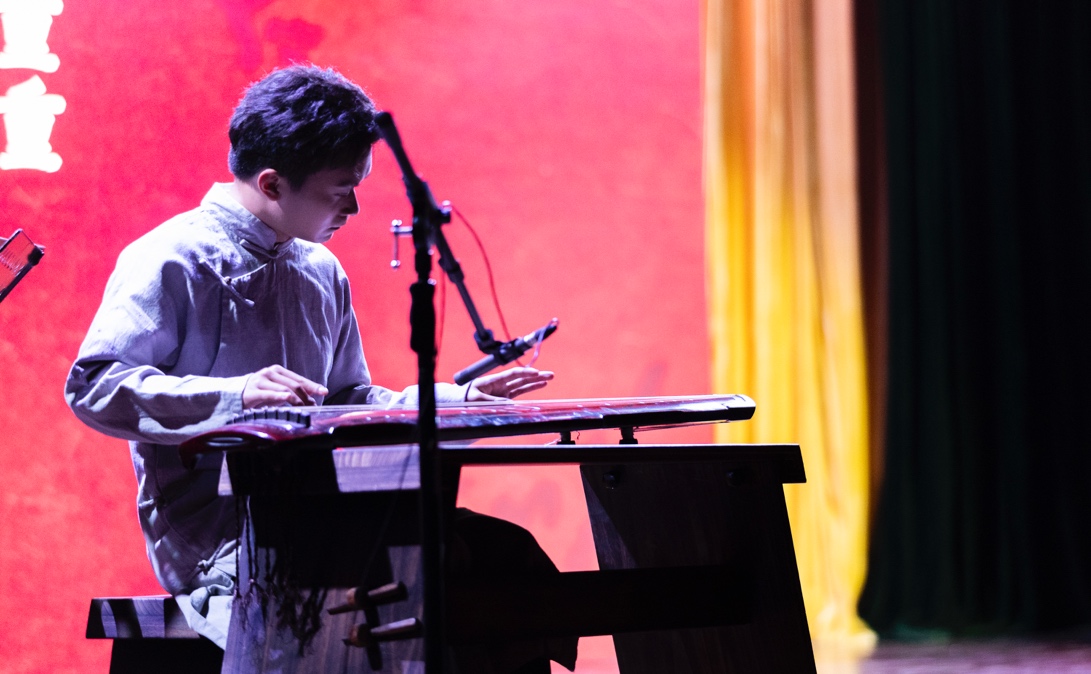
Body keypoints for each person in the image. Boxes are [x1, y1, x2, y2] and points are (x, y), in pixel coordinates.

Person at [65, 65, 569, 671]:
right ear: (273, 183)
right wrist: (236, 397)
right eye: (340, 189)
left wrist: (451, 399)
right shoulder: (171, 257)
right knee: (396, 574)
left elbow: (349, 399)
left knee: (501, 555)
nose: (354, 206)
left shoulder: (319, 269)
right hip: (222, 530)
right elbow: (93, 386)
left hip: (323, 508)